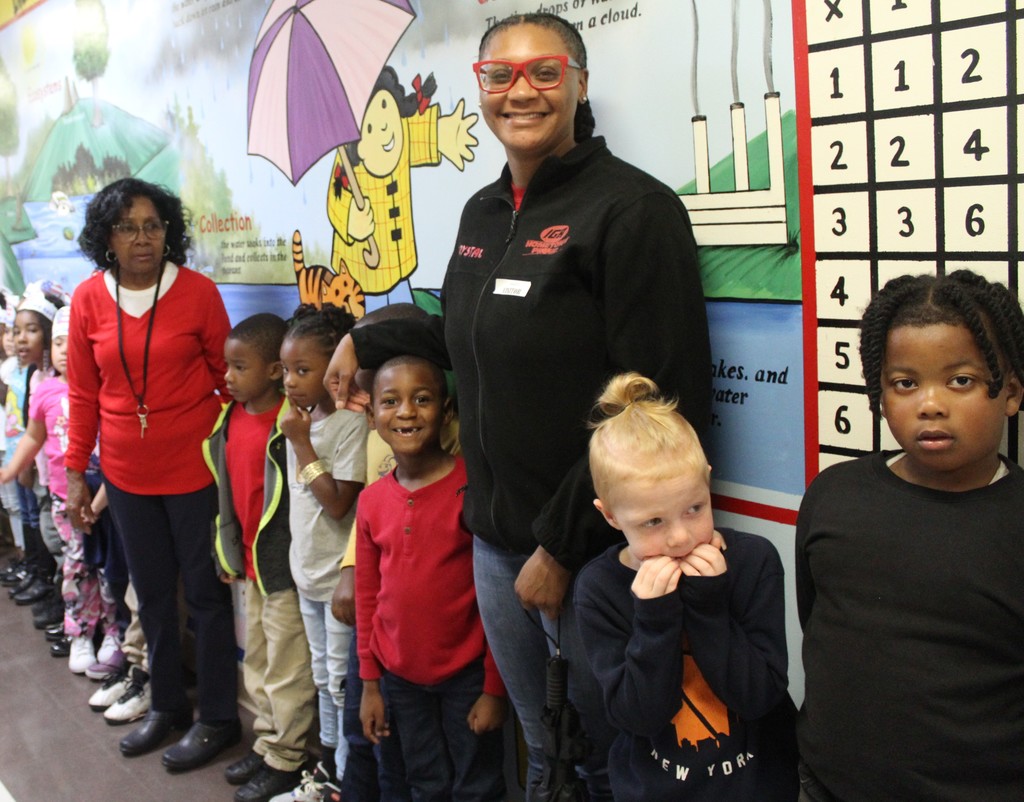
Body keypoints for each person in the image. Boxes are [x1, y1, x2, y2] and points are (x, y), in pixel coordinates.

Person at [325, 12, 712, 799]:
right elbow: (465, 335)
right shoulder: (482, 212)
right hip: (496, 546)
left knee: (608, 756)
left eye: (544, 72)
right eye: (499, 75)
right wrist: (363, 337)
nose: (520, 91)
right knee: (543, 746)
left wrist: (561, 548)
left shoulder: (631, 210)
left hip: (593, 552)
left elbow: (658, 407)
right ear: (481, 90)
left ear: (580, 83)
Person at [796, 269, 1024, 802]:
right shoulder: (834, 494)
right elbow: (815, 618)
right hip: (825, 784)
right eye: (905, 383)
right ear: (879, 395)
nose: (930, 404)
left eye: (960, 381)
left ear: (1010, 392)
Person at [66, 178, 240, 769]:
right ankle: (166, 705)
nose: (142, 239)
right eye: (127, 227)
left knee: (207, 598)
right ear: (106, 237)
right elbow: (83, 395)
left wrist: (235, 459)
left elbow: (227, 382)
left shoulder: (197, 293)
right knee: (153, 597)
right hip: (124, 476)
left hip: (193, 472)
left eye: (152, 226)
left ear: (168, 232)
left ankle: (218, 718)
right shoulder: (88, 300)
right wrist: (75, 473)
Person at [575, 372, 797, 801]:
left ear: (708, 481)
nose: (680, 538)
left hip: (757, 787)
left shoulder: (753, 562)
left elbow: (759, 697)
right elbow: (637, 717)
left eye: (694, 508)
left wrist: (710, 607)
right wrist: (654, 619)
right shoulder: (599, 589)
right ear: (610, 516)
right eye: (653, 522)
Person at [357, 354, 506, 801]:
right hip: (400, 679)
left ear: (447, 412)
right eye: (390, 401)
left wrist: (494, 688)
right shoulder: (371, 501)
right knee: (425, 783)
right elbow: (368, 595)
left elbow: (496, 597)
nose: (406, 412)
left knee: (477, 786)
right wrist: (370, 683)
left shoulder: (473, 488)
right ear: (372, 416)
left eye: (421, 399)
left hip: (468, 677)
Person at [204, 313, 316, 802]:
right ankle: (267, 740)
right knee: (258, 660)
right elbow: (228, 496)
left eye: (239, 366)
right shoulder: (229, 419)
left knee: (287, 668)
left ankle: (287, 756)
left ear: (274, 370)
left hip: (282, 570)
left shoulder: (289, 424)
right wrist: (227, 551)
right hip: (249, 567)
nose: (227, 376)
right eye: (226, 366)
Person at [0, 304, 118, 674]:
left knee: (109, 568)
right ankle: (80, 632)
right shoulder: (46, 391)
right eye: (59, 343)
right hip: (65, 499)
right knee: (76, 565)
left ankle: (112, 633)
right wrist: (9, 470)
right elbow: (33, 437)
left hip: (106, 497)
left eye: (75, 342)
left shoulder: (105, 391)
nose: (67, 350)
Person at [280, 304, 367, 793]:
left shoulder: (349, 426)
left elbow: (337, 504)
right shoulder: (301, 420)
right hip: (307, 575)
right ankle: (328, 769)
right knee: (321, 677)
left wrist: (302, 445)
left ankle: (345, 780)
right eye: (286, 370)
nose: (290, 382)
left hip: (338, 583)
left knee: (339, 682)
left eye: (303, 370)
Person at [5, 281, 68, 610]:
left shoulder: (57, 380)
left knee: (60, 539)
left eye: (31, 330)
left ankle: (64, 599)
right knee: (47, 530)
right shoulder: (35, 377)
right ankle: (55, 590)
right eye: (16, 331)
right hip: (44, 474)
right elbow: (32, 432)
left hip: (61, 478)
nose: (20, 339)